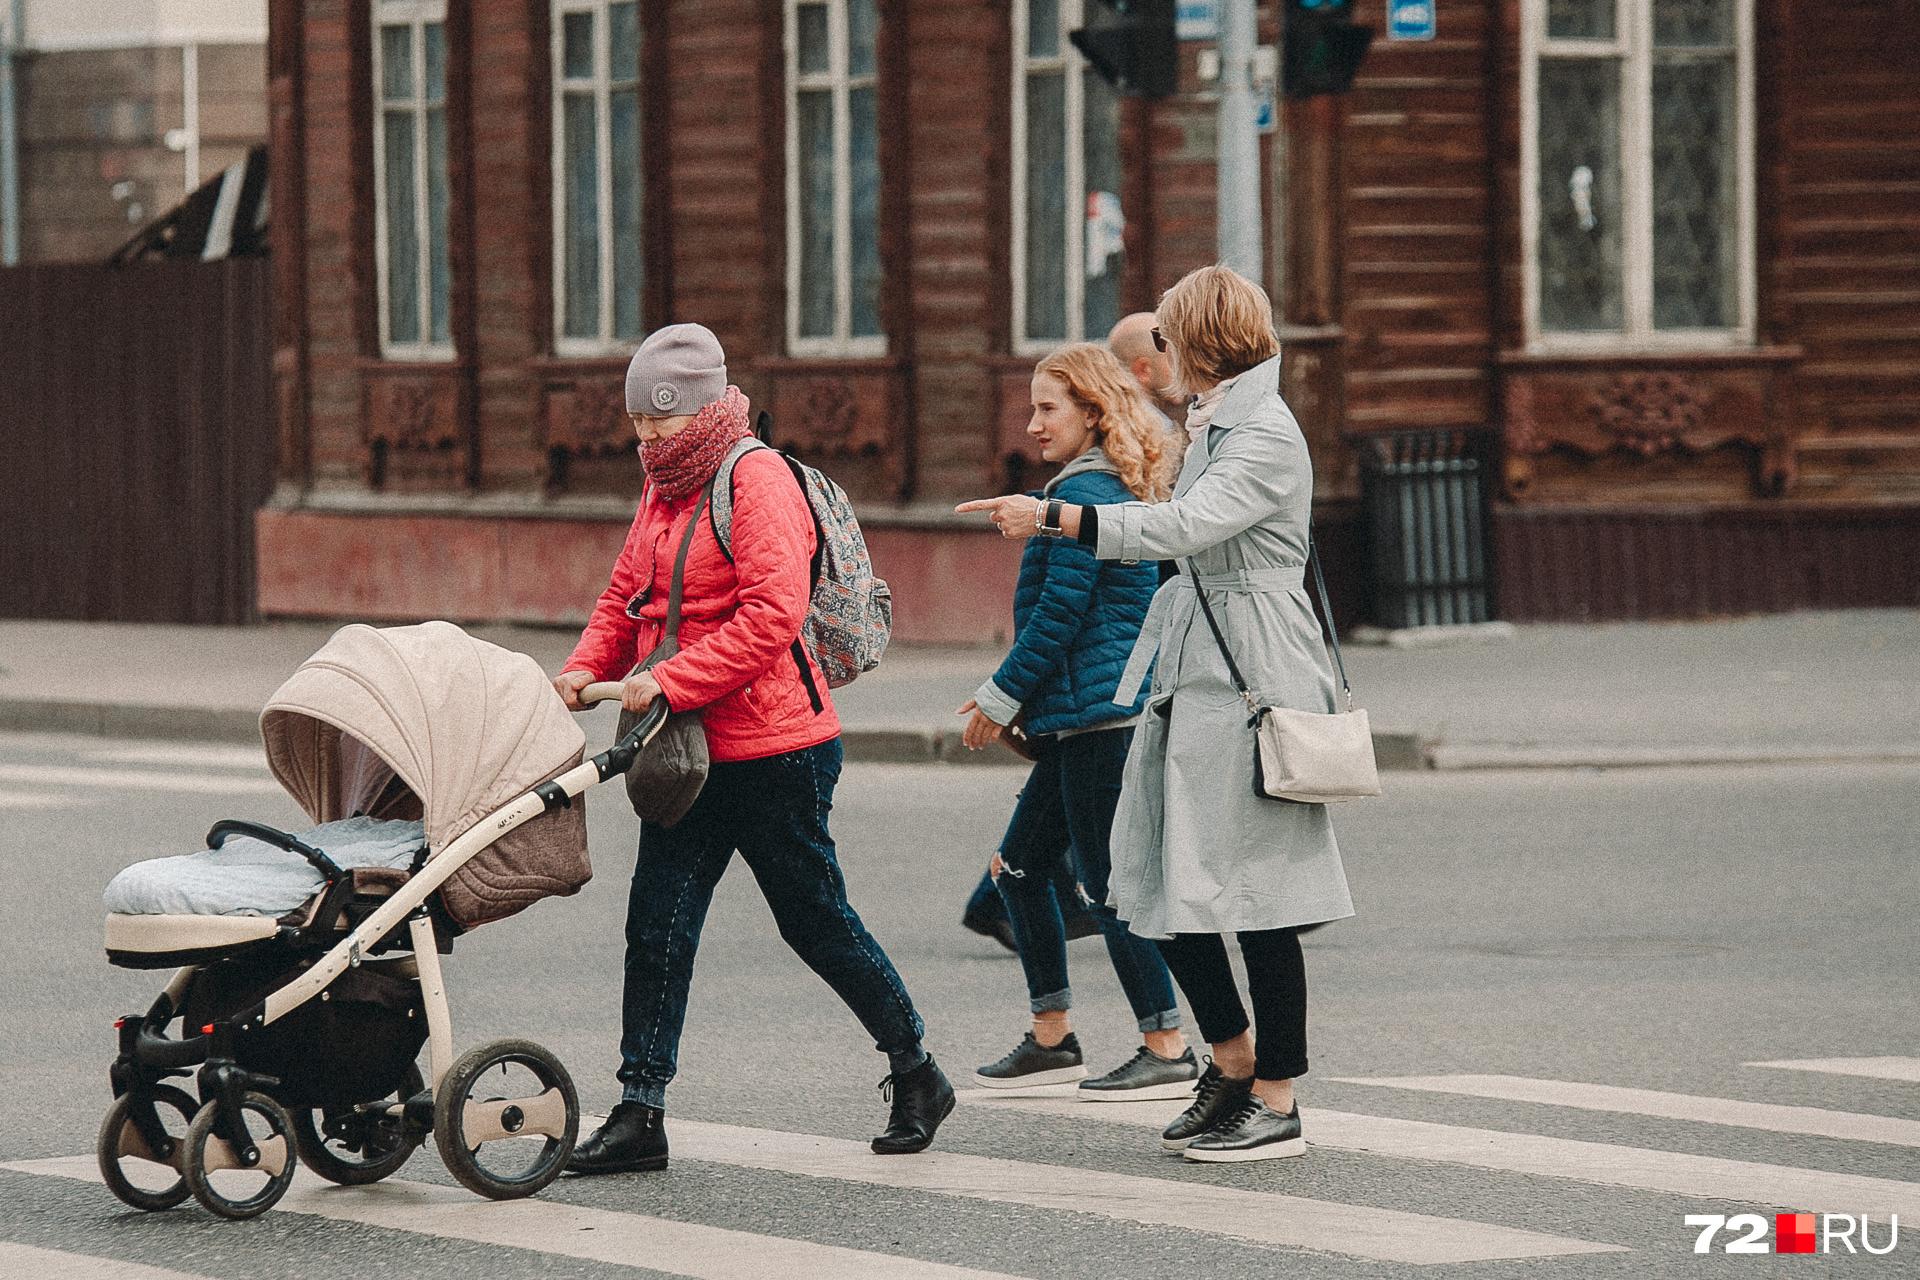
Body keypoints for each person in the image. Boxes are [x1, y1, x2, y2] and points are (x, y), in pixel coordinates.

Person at [956, 267, 1354, 1162]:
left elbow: (1178, 529)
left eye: (1170, 338)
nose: (1161, 355)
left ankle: (1278, 1098)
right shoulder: (1216, 424)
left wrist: (1054, 517)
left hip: (1255, 673)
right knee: (1159, 883)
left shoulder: (1263, 434)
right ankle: (1231, 1060)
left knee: (1258, 897)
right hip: (1192, 669)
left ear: (1202, 344)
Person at [552, 323, 953, 1173]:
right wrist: (580, 671)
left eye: (657, 426)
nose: (644, 442)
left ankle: (916, 1068)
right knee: (656, 925)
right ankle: (640, 1112)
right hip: (689, 751)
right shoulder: (664, 485)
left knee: (814, 922)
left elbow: (773, 618)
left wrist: (669, 681)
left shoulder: (754, 476)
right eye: (637, 428)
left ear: (696, 412)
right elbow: (627, 594)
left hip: (779, 748)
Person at [957, 343, 1199, 1101]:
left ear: (1093, 413)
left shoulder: (1088, 495)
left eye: (1048, 408)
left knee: (1107, 886)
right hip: (1083, 718)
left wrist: (998, 701)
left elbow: (1061, 616)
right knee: (1020, 870)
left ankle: (1167, 1045)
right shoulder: (1099, 487)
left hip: (1104, 721)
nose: (1033, 424)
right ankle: (1052, 1039)